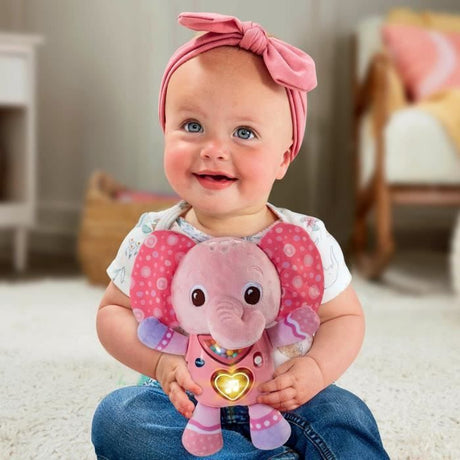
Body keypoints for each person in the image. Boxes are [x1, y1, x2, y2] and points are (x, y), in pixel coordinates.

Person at [91, 12, 389, 459]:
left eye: (244, 133)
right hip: (187, 401)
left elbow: (344, 318)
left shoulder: (304, 239)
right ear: (165, 130)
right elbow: (113, 312)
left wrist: (313, 370)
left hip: (283, 396)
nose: (214, 149)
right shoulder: (154, 235)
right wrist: (160, 364)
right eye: (192, 126)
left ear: (284, 157)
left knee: (346, 414)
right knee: (119, 420)